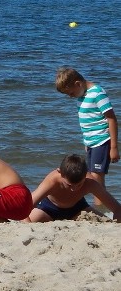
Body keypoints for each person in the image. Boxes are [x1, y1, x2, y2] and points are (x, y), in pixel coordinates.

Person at [55, 67, 118, 205]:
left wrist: (113, 147)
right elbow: (88, 121)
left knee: (96, 178)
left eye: (71, 93)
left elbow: (111, 118)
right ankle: (102, 206)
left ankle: (101, 207)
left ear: (78, 84)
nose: (70, 96)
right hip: (91, 142)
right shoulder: (81, 96)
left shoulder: (97, 93)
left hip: (102, 140)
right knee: (91, 175)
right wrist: (86, 142)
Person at [26, 154, 121, 222]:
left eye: (79, 185)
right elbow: (26, 205)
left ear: (85, 176)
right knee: (29, 219)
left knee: (107, 223)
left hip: (78, 209)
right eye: (69, 185)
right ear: (60, 172)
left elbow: (117, 208)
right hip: (48, 209)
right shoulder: (53, 180)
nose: (74, 189)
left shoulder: (90, 182)